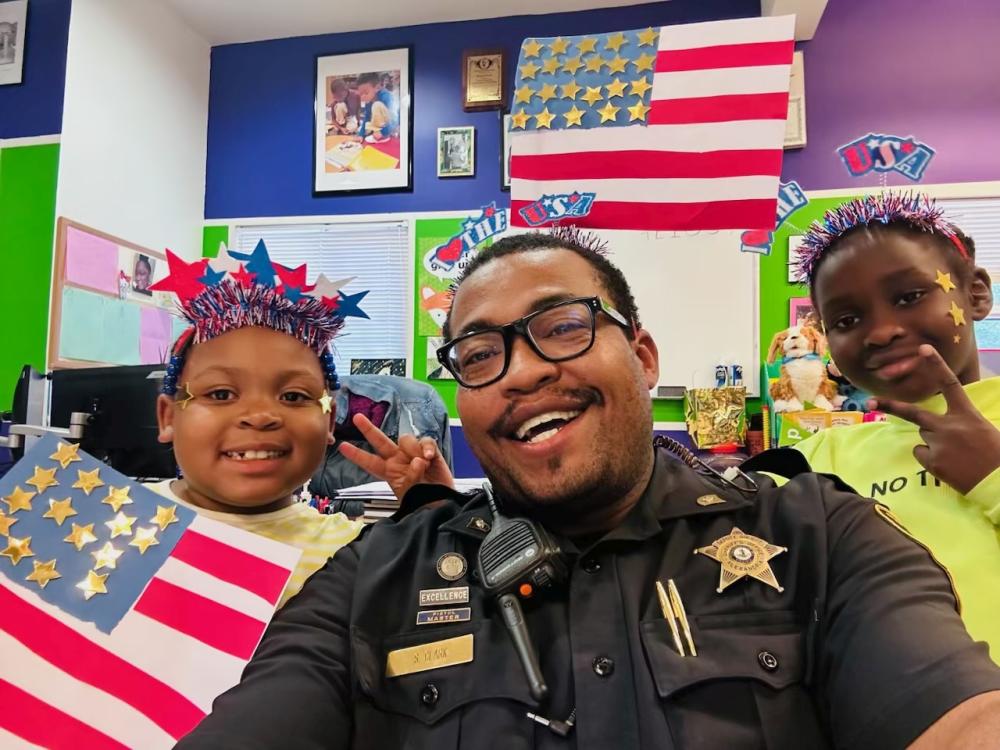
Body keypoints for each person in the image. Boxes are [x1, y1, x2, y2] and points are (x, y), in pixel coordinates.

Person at [176, 231, 1000, 749]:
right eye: (477, 354)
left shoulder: (818, 533)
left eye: (564, 326)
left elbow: (957, 714)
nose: (525, 370)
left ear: (642, 357)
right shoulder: (373, 577)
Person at [789, 192, 1000, 662]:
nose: (882, 331)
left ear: (977, 294)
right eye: (847, 319)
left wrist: (993, 475)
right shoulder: (818, 458)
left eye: (909, 297)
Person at [150, 242, 363, 607]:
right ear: (168, 417)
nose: (261, 415)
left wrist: (427, 513)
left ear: (329, 420)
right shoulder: (102, 521)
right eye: (220, 394)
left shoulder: (356, 551)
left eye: (294, 396)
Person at [355, 71, 398, 142]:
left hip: (391, 129)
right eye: (360, 94)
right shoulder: (369, 101)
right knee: (361, 129)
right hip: (377, 131)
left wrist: (383, 132)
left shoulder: (386, 97)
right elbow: (367, 117)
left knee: (376, 105)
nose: (362, 97)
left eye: (366, 93)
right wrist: (361, 135)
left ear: (377, 87)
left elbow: (394, 119)